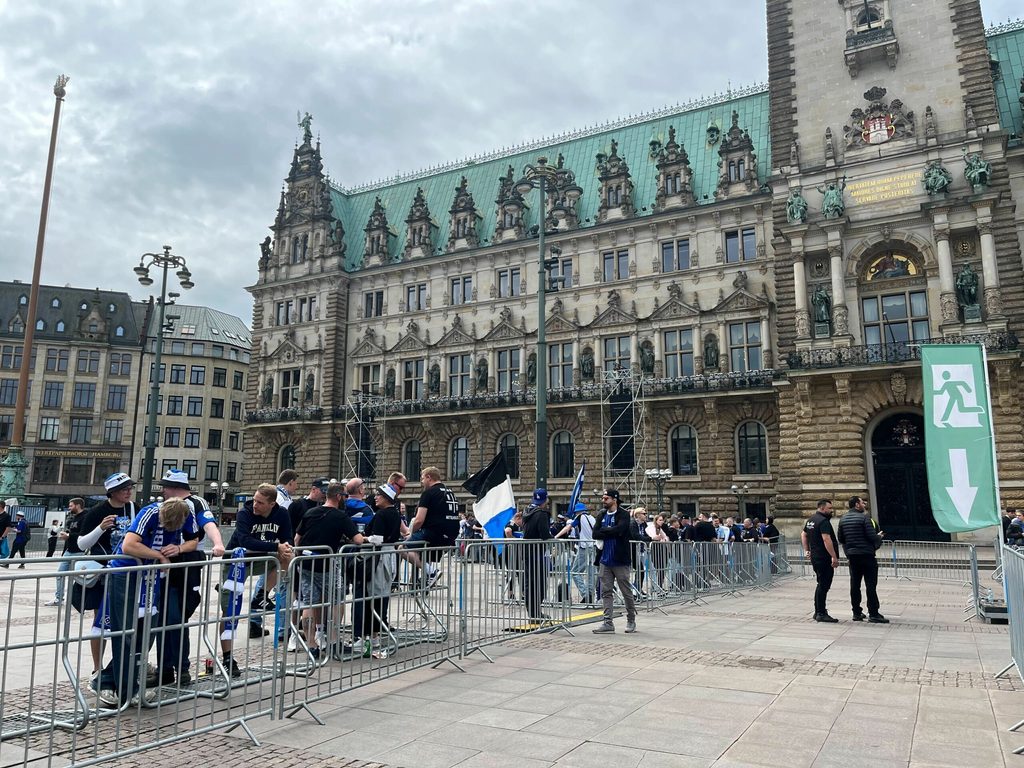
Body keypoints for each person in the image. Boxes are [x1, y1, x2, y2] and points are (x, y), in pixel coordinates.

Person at [93, 497, 200, 707]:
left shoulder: (186, 513)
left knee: (145, 633)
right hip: (128, 573)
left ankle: (111, 680)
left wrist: (179, 549)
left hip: (151, 577)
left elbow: (193, 540)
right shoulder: (150, 513)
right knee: (126, 631)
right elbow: (129, 545)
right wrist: (159, 556)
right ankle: (124, 687)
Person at [151, 469, 226, 687]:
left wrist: (218, 543)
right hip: (167, 564)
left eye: (165, 486)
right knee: (165, 618)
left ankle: (178, 668)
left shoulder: (195, 503)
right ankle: (168, 668)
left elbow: (209, 524)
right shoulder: (166, 505)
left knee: (175, 618)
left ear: (174, 487)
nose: (163, 490)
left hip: (185, 565)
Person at [219, 483, 293, 677]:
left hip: (260, 558)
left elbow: (287, 540)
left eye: (260, 503)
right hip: (237, 562)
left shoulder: (282, 514)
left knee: (287, 555)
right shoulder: (245, 514)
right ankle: (227, 657)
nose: (254, 505)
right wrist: (275, 546)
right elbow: (244, 540)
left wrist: (282, 548)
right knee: (229, 612)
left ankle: (262, 594)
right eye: (254, 500)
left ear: (272, 503)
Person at [294, 481, 364, 659]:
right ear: (339, 497)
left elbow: (297, 539)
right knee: (336, 601)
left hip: (306, 563)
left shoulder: (310, 512)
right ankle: (333, 641)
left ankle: (311, 645)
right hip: (327, 566)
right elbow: (358, 539)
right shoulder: (340, 516)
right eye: (345, 497)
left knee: (309, 603)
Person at [358, 485, 403, 658]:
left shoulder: (382, 515)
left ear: (387, 498)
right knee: (381, 595)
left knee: (373, 596)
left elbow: (377, 539)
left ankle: (370, 638)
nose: (376, 497)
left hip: (379, 558)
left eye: (379, 495)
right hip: (389, 555)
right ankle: (374, 636)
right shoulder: (395, 513)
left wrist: (362, 538)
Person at [404, 467, 459, 587]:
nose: (422, 482)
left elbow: (419, 520)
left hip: (434, 532)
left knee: (402, 548)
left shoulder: (428, 493)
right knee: (425, 555)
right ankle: (426, 582)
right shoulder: (450, 492)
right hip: (451, 534)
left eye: (422, 478)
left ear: (429, 477)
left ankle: (431, 572)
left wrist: (411, 533)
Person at [592, 489, 637, 634]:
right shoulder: (601, 514)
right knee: (606, 591)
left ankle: (631, 619)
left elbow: (621, 530)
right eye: (603, 498)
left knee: (626, 591)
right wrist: (610, 530)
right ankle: (607, 622)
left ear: (614, 499)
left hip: (620, 559)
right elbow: (595, 533)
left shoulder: (623, 514)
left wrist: (605, 531)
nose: (603, 501)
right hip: (605, 559)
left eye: (606, 498)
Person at [838, 496, 888, 623]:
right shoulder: (864, 518)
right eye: (862, 502)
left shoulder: (843, 519)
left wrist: (848, 553)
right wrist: (879, 537)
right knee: (870, 585)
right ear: (856, 505)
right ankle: (873, 613)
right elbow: (872, 537)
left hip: (853, 556)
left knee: (855, 585)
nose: (864, 504)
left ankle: (856, 612)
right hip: (866, 555)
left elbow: (841, 539)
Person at [801, 499, 840, 622]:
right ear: (822, 508)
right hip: (824, 558)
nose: (831, 510)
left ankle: (818, 611)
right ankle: (821, 613)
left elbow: (803, 534)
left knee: (820, 584)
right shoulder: (823, 521)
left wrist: (807, 550)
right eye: (829, 508)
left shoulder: (811, 519)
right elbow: (826, 539)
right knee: (823, 585)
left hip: (815, 557)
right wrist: (833, 556)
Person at [46, 498, 86, 606]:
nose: (69, 507)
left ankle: (78, 600)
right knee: (60, 574)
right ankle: (59, 598)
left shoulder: (85, 517)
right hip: (69, 550)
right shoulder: (73, 518)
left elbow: (84, 535)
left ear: (78, 505)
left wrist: (69, 536)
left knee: (78, 577)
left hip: (79, 551)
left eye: (71, 505)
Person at [555, 502, 596, 604]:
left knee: (575, 572)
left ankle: (585, 594)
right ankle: (590, 595)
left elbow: (568, 527)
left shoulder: (579, 517)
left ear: (577, 511)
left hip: (584, 547)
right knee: (591, 573)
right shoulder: (592, 518)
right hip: (594, 546)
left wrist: (556, 536)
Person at [520, 489, 552, 621]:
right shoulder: (542, 514)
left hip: (527, 551)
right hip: (538, 552)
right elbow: (544, 534)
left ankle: (532, 611)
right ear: (545, 500)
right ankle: (536, 612)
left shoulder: (526, 512)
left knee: (529, 582)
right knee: (540, 583)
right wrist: (553, 538)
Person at [0, 498, 11, 564]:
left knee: (3, 552)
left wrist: (3, 536)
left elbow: (8, 527)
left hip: (1, 537)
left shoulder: (6, 516)